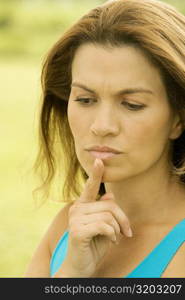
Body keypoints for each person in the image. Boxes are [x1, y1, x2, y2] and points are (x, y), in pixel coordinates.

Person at [25, 0, 185, 278]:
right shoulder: (67, 227)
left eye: (132, 104)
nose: (102, 126)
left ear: (178, 119)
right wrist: (72, 272)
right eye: (85, 100)